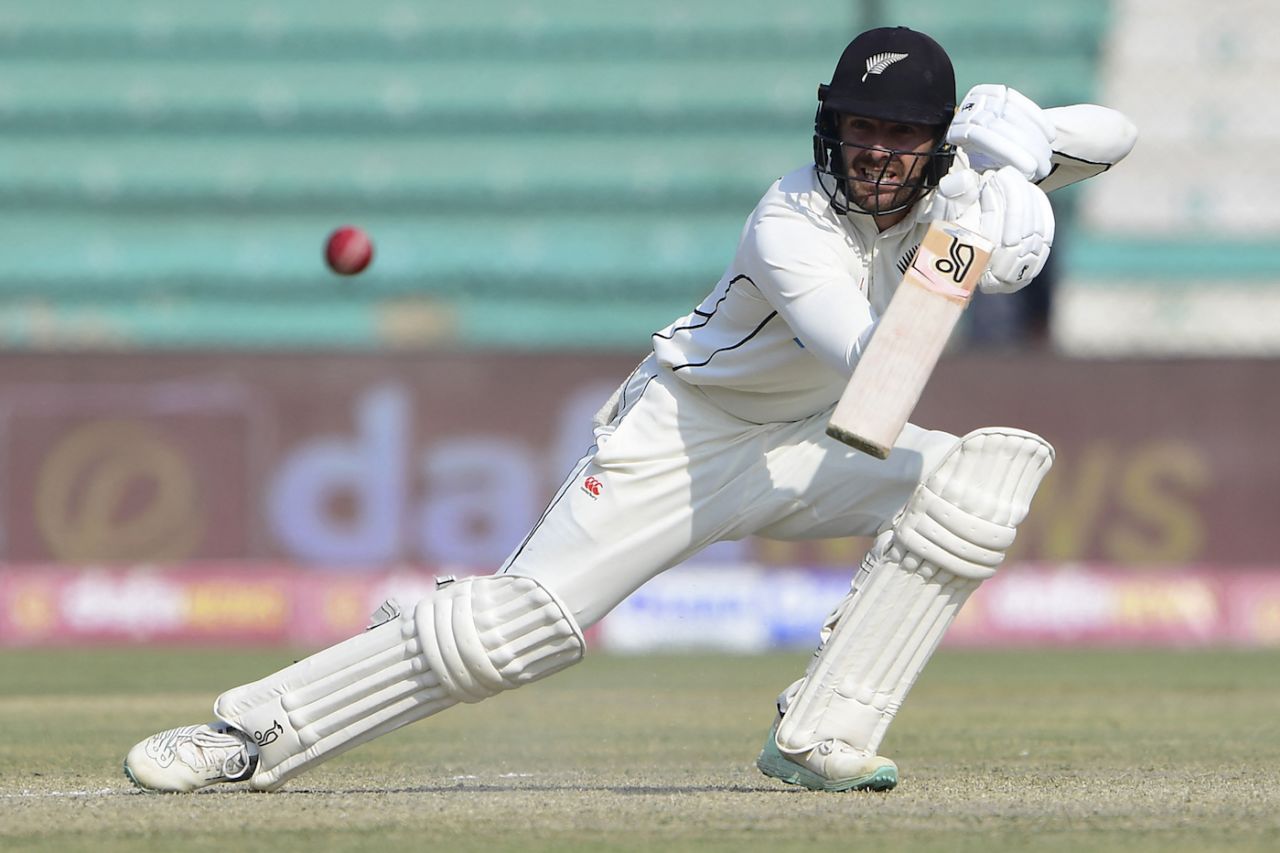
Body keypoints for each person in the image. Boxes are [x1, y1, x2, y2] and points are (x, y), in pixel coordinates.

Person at [123, 27, 1137, 794]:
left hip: (801, 444)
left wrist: (1025, 145)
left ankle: (821, 731)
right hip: (684, 439)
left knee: (978, 478)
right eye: (856, 129)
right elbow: (877, 374)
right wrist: (964, 245)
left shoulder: (957, 175)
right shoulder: (789, 219)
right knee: (512, 636)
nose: (874, 152)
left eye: (899, 134)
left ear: (935, 141)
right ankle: (247, 732)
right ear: (828, 130)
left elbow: (1117, 135)